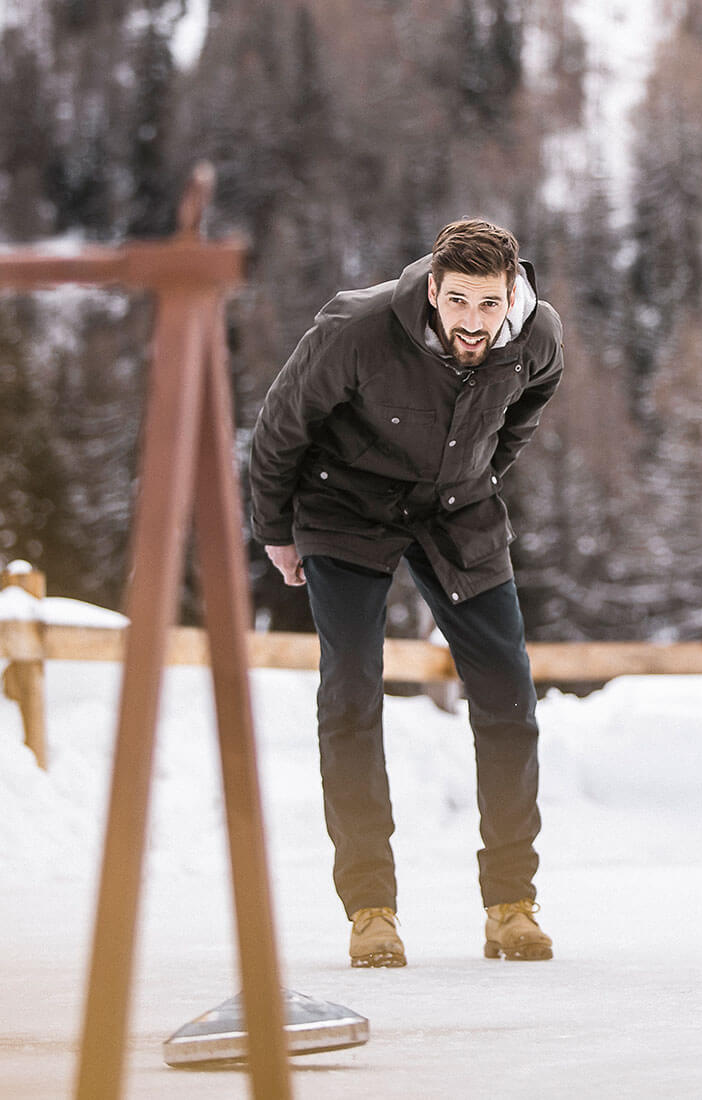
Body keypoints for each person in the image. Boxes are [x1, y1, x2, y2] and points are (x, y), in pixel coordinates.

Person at [247, 218, 563, 967]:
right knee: (352, 690)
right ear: (433, 288)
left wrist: (478, 471)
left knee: (508, 691)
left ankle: (512, 904)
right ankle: (371, 910)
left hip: (458, 508)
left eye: (489, 305)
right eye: (458, 302)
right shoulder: (357, 330)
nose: (473, 322)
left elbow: (525, 408)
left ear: (511, 293)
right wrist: (277, 532)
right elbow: (281, 428)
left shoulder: (537, 335)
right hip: (344, 506)